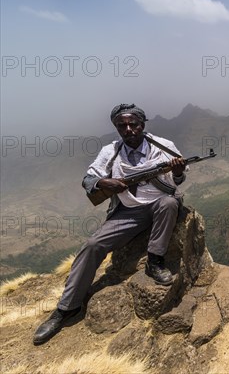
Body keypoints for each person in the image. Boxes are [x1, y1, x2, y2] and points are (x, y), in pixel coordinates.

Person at [33, 104, 187, 345]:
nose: (128, 129)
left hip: (159, 205)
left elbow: (179, 177)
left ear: (142, 125)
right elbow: (88, 180)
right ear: (117, 128)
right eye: (122, 125)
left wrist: (177, 172)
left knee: (168, 203)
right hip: (128, 210)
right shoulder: (111, 151)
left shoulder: (162, 145)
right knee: (93, 244)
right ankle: (66, 308)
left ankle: (155, 261)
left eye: (133, 124)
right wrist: (107, 183)